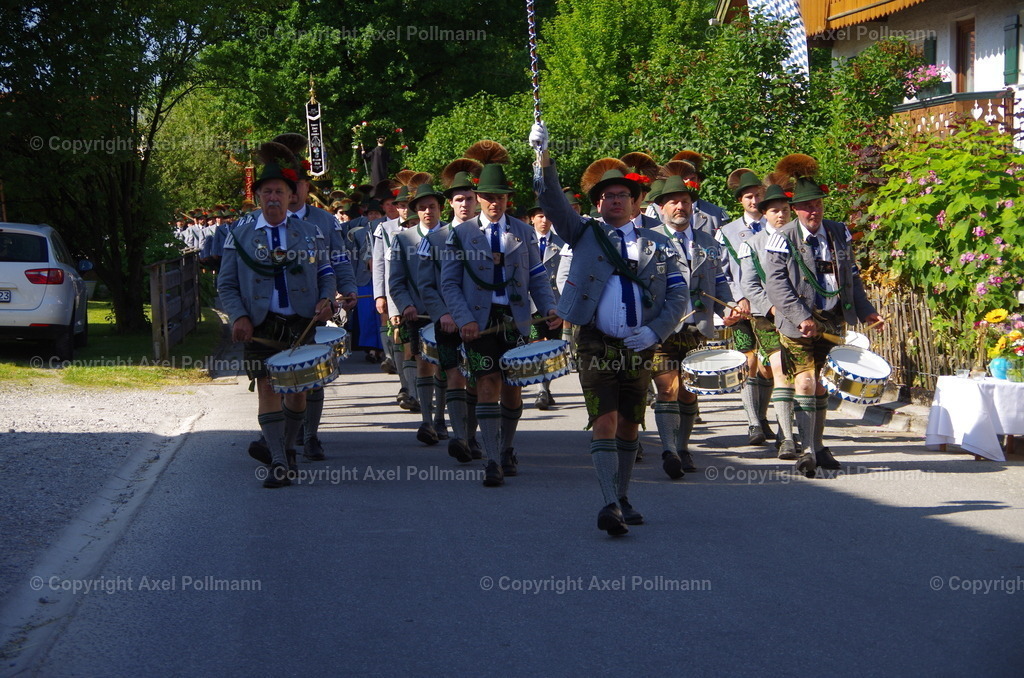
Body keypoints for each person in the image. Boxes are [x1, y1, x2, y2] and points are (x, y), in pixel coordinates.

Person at [531, 123, 688, 536]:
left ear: (636, 201)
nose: (611, 200)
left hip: (640, 342)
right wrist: (542, 155)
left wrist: (655, 334)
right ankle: (608, 504)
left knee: (630, 424)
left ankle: (622, 495)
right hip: (594, 341)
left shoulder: (658, 242)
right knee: (604, 418)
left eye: (620, 195)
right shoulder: (584, 232)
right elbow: (550, 200)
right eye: (604, 196)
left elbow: (677, 296)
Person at [217, 142, 337, 488]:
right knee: (267, 387)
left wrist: (327, 298)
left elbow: (326, 271)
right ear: (258, 197)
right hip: (259, 324)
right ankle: (280, 463)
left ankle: (286, 448)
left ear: (290, 196)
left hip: (301, 322)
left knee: (297, 391)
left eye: (279, 191)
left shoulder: (310, 233)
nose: (273, 197)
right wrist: (238, 316)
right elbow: (226, 284)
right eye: (267, 191)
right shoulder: (238, 236)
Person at [440, 144, 558, 487]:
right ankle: (491, 458)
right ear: (478, 197)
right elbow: (449, 284)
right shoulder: (459, 235)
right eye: (489, 196)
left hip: (515, 317)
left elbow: (537, 276)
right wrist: (464, 320)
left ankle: (507, 448)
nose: (495, 203)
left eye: (501, 197)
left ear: (509, 200)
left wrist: (549, 307)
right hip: (479, 319)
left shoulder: (522, 232)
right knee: (486, 382)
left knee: (513, 386)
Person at [762, 154, 883, 477]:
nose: (812, 211)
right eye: (806, 207)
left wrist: (867, 311)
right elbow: (776, 285)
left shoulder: (839, 232)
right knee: (804, 381)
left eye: (817, 205)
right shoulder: (781, 238)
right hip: (796, 321)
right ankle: (805, 450)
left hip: (832, 319)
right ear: (795, 209)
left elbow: (851, 277)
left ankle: (816, 445)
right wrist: (801, 316)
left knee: (820, 386)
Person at [649, 169, 742, 479]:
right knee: (667, 389)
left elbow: (718, 280)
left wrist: (729, 306)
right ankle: (669, 450)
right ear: (661, 208)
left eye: (685, 201)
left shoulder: (707, 241)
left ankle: (683, 446)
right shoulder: (650, 240)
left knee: (689, 391)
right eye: (673, 202)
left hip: (698, 327)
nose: (680, 207)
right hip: (661, 327)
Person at [273, 132, 358, 460]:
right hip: (277, 310)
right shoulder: (268, 221)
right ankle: (281, 437)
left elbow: (339, 261)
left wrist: (347, 289)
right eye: (288, 187)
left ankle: (310, 436)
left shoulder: (324, 221)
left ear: (309, 188)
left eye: (300, 186)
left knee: (312, 375)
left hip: (316, 308)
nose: (294, 193)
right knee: (279, 374)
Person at [418, 162, 484, 461]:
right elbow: (426, 284)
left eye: (470, 198)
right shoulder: (433, 239)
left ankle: (471, 435)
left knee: (478, 379)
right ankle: (460, 438)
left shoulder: (489, 235)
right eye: (459, 199)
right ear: (450, 204)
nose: (465, 204)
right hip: (446, 323)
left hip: (482, 321)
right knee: (454, 375)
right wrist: (442, 313)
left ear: (477, 200)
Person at [739, 176, 798, 459]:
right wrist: (772, 308)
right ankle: (786, 437)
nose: (781, 214)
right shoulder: (751, 244)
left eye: (785, 209)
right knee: (778, 367)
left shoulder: (801, 239)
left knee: (802, 375)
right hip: (767, 316)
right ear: (764, 214)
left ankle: (788, 428)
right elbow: (749, 285)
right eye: (775, 210)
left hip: (800, 316)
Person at [717, 169, 776, 447]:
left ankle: (763, 417)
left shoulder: (775, 226)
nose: (754, 201)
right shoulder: (726, 232)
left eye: (758, 196)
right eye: (749, 197)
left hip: (770, 307)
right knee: (748, 361)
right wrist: (737, 298)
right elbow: (722, 272)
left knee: (770, 366)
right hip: (741, 307)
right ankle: (753, 422)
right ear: (740, 200)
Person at [389, 182, 449, 445]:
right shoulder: (403, 240)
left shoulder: (453, 235)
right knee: (424, 363)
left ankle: (440, 418)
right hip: (418, 315)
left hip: (448, 314)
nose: (427, 212)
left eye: (432, 207)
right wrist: (405, 306)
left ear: (440, 208)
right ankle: (426, 420)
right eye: (422, 208)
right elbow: (396, 281)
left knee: (445, 365)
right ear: (415, 211)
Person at [525, 202, 565, 410]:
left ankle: (545, 388)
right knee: (535, 345)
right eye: (539, 216)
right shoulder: (523, 240)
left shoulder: (561, 243)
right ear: (532, 219)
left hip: (554, 304)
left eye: (547, 216)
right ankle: (541, 389)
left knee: (551, 348)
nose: (544, 220)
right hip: (530, 304)